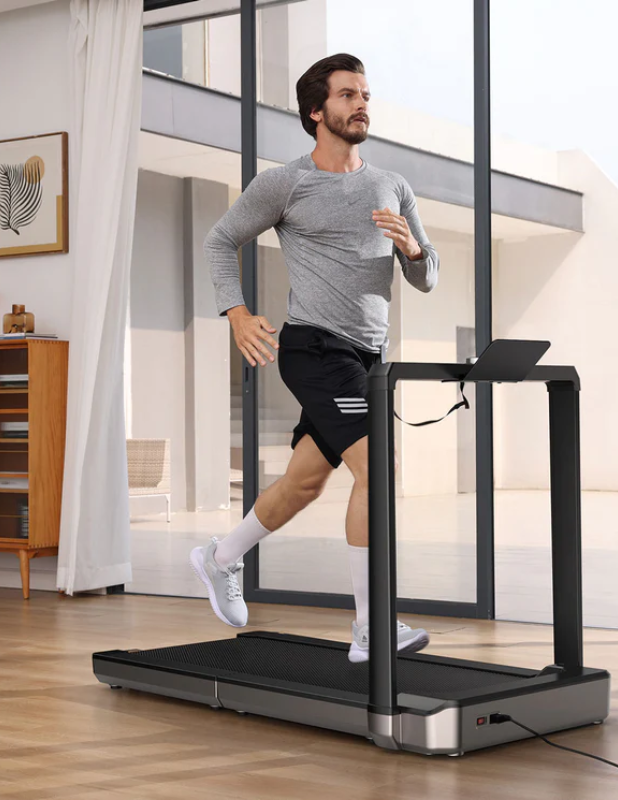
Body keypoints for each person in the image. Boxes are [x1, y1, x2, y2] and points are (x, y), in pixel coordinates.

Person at [190, 53, 439, 664]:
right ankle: (370, 629)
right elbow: (220, 240)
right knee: (379, 469)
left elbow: (427, 277)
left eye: (365, 94)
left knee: (304, 483)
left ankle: (220, 557)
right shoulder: (286, 183)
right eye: (348, 94)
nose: (361, 104)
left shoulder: (393, 186)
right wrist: (236, 313)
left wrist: (412, 249)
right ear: (316, 112)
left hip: (368, 357)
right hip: (315, 347)